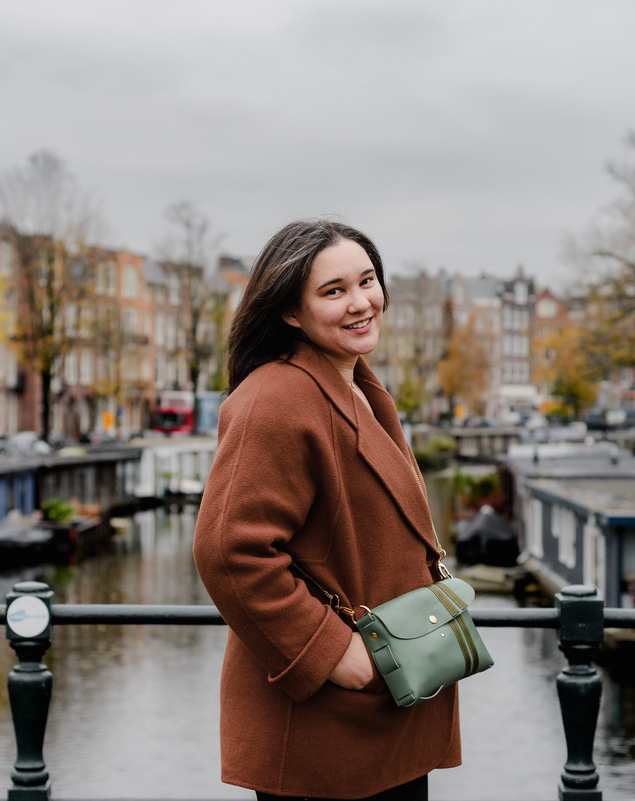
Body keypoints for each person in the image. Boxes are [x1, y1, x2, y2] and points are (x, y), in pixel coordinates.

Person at [193, 220, 459, 801]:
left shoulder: (355, 385)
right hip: (327, 726)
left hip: (382, 712)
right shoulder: (276, 398)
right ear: (291, 312)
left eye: (367, 281)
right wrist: (335, 654)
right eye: (334, 291)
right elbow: (227, 551)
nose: (361, 302)